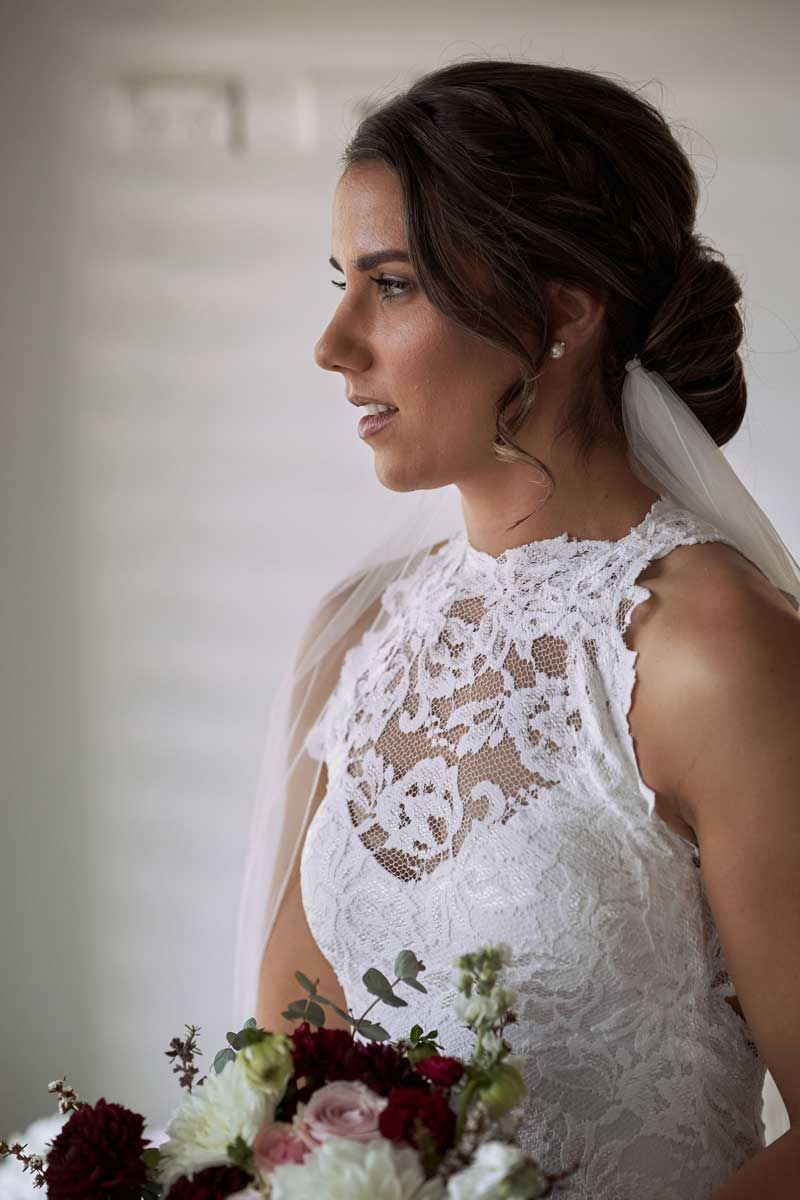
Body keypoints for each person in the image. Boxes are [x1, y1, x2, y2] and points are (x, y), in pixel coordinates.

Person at [238, 60, 799, 1198]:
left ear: (560, 313)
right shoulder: (348, 637)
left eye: (389, 286)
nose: (333, 343)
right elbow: (295, 1080)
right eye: (339, 281)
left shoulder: (706, 650)